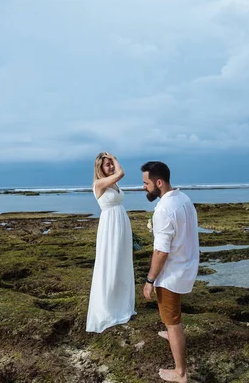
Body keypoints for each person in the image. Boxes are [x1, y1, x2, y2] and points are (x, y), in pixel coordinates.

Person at [141, 161, 199, 383]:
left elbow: (161, 251)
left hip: (172, 272)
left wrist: (149, 280)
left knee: (173, 321)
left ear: (158, 182)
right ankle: (170, 333)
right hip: (186, 263)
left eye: (146, 183)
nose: (144, 187)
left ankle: (180, 373)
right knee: (171, 315)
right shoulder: (183, 198)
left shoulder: (164, 209)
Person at [86, 152, 137, 333]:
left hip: (121, 223)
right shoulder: (99, 183)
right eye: (107, 165)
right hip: (109, 226)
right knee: (110, 263)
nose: (111, 167)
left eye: (111, 164)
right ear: (100, 168)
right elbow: (121, 173)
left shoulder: (113, 183)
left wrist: (113, 163)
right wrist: (115, 158)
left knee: (122, 263)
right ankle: (108, 308)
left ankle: (122, 305)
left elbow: (118, 176)